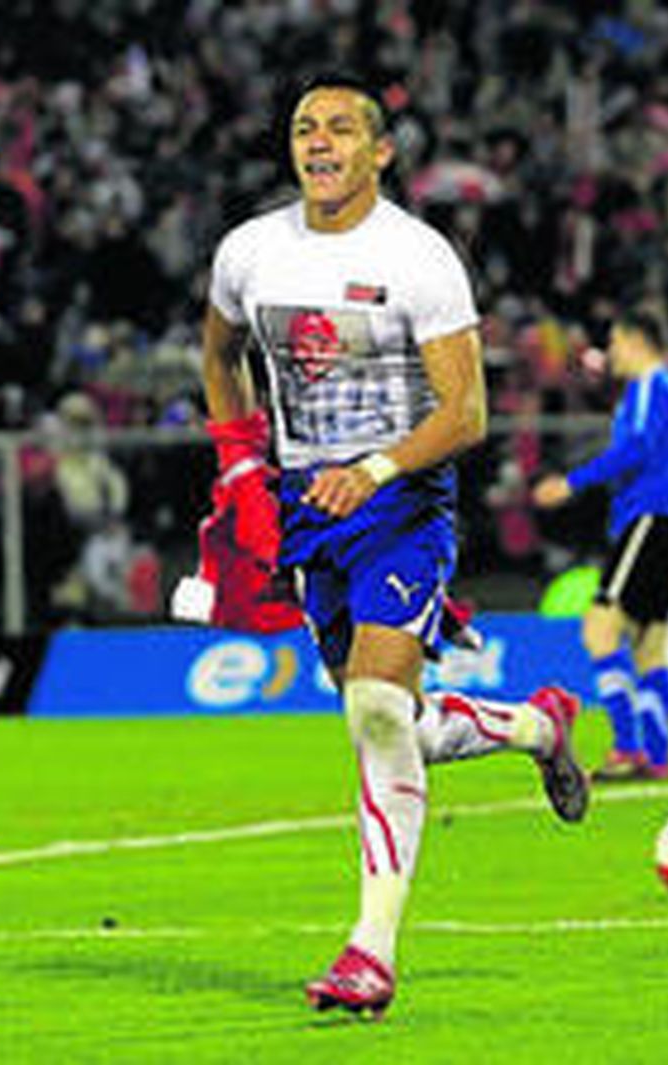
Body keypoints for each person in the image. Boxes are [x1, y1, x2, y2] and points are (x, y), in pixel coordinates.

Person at [200, 73, 588, 1018]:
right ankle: (534, 726)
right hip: (303, 504)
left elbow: (466, 412)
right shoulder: (251, 252)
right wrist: (243, 468)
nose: (319, 142)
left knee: (374, 707)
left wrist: (373, 470)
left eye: (340, 128)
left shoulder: (419, 258)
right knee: (395, 719)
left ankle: (370, 951)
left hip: (401, 500)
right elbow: (218, 355)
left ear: (381, 151)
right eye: (303, 128)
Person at [533, 310, 668, 782]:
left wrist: (572, 482)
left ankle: (627, 749)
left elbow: (639, 449)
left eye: (616, 342)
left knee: (600, 631)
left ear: (635, 340)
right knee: (648, 646)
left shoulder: (650, 386)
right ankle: (658, 757)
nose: (612, 353)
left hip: (647, 519)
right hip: (667, 522)